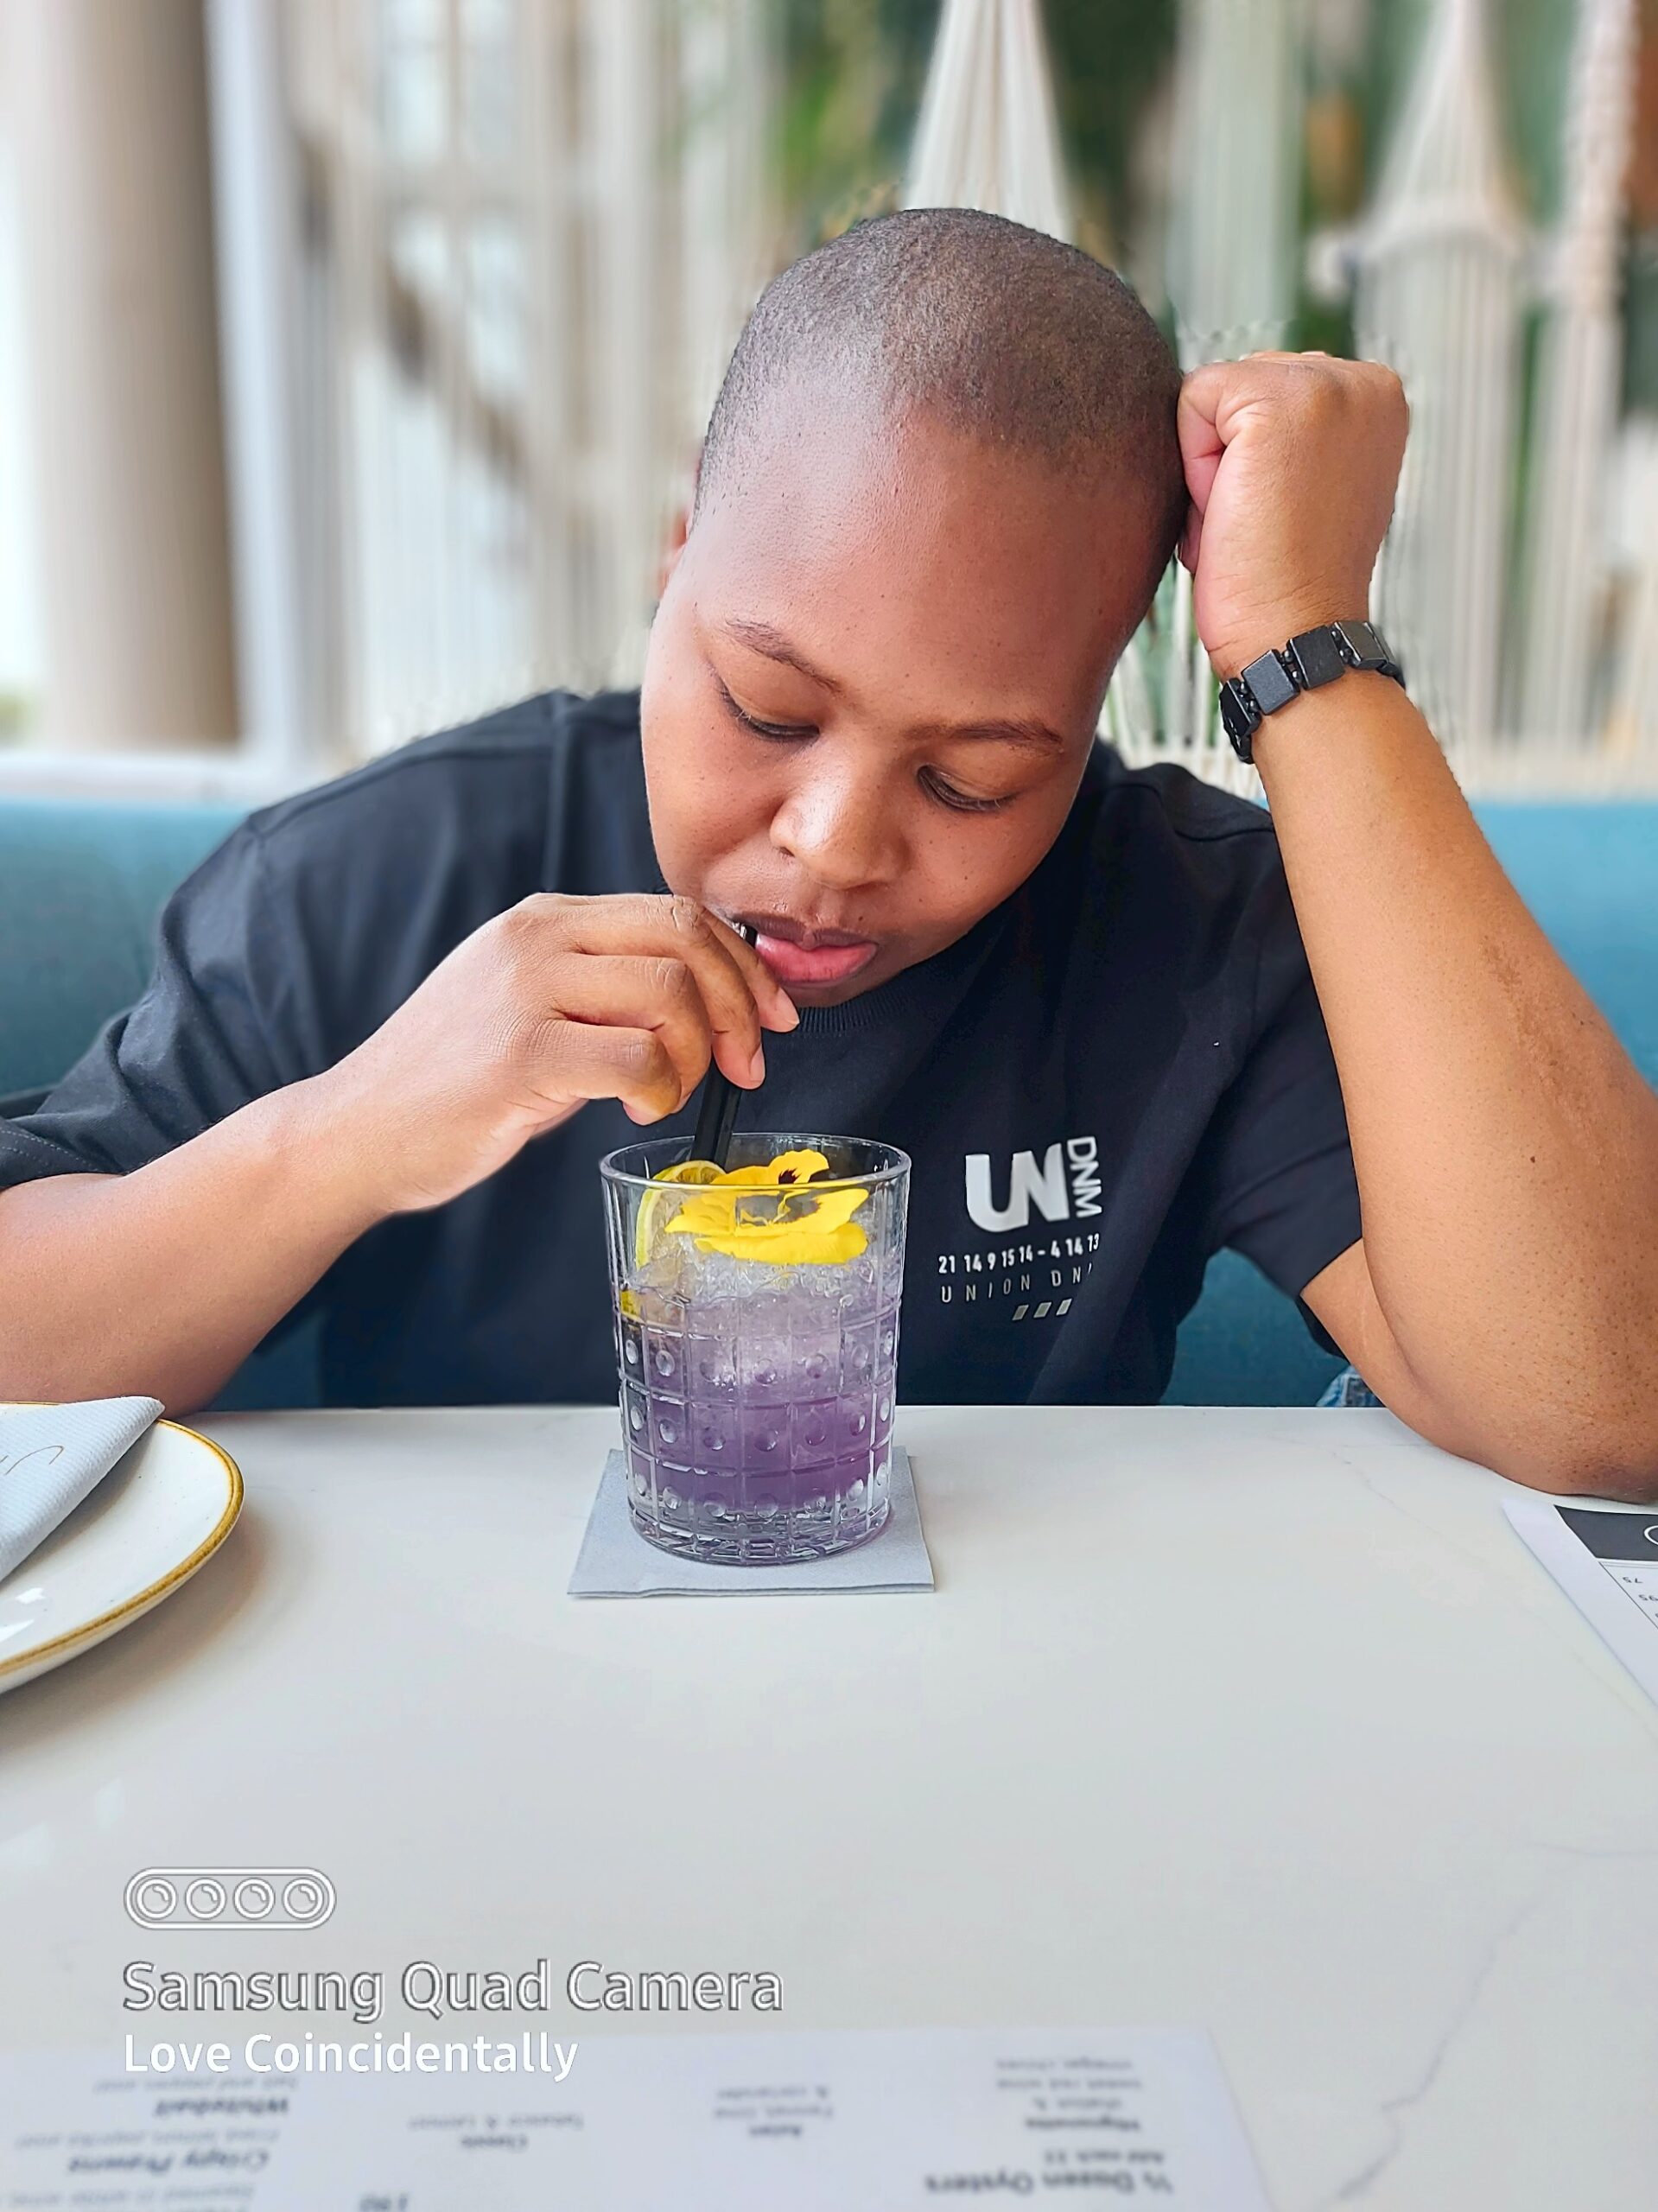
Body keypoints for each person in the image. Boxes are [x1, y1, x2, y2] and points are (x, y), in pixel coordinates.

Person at [1, 210, 1654, 1498]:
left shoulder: (1185, 931)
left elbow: (1607, 1402)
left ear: (1095, 709)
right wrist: (348, 1136)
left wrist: (1306, 647)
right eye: (767, 710)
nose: (834, 844)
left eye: (972, 779)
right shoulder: (384, 877)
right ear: (677, 558)